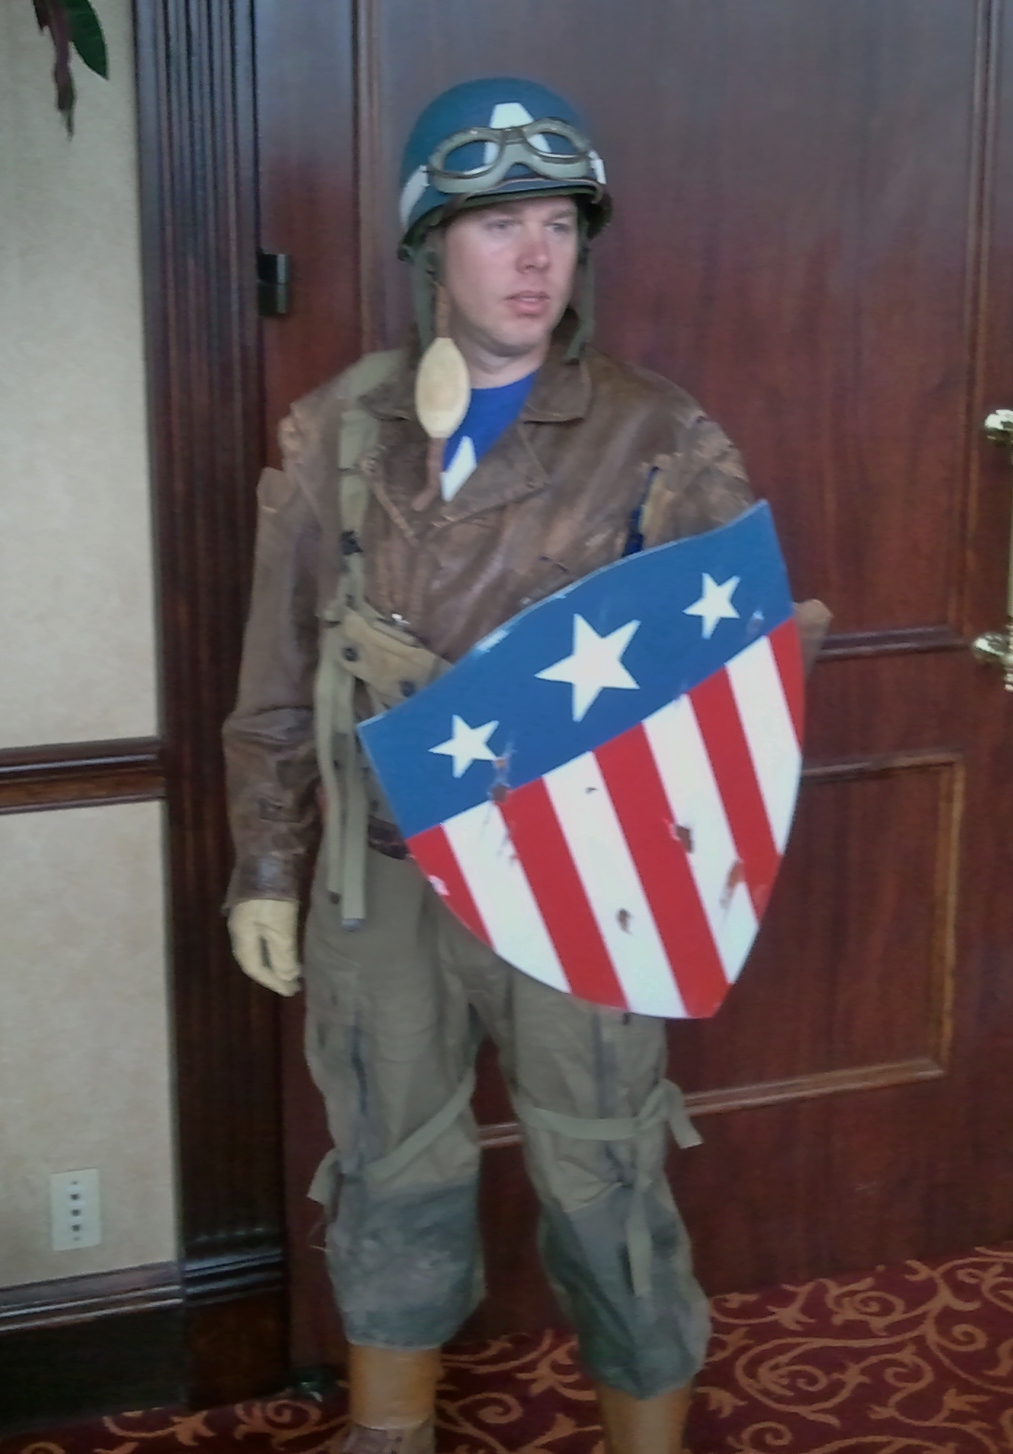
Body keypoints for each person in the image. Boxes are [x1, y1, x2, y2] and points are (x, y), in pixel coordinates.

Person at [223, 77, 828, 1454]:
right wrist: (264, 862)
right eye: (497, 225)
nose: (534, 256)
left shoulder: (656, 434)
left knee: (604, 1169)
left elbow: (735, 671)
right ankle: (389, 1433)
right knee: (387, 1156)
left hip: (580, 874)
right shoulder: (341, 428)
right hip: (382, 873)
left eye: (557, 223)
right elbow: (276, 672)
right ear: (430, 247)